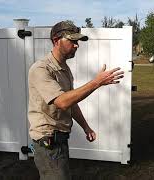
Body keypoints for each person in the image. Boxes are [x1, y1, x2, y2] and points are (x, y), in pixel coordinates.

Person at [28, 21, 124, 180]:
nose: (76, 45)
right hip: (47, 143)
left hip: (59, 140)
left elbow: (70, 102)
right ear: (56, 41)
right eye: (72, 41)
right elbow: (62, 102)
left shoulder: (64, 68)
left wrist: (86, 127)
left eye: (77, 41)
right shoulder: (41, 69)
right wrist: (97, 82)